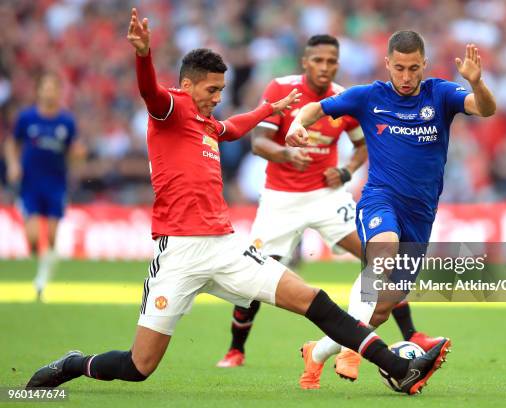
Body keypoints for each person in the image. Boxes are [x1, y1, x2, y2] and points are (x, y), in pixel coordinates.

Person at [25, 10, 449, 396]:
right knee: (140, 366)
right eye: (211, 89)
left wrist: (272, 107)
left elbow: (232, 128)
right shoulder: (169, 109)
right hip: (179, 253)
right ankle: (75, 364)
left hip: (225, 246)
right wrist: (144, 55)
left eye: (221, 90)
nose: (216, 97)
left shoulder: (207, 122)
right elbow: (149, 91)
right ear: (187, 85)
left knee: (313, 299)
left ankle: (397, 367)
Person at [216, 34, 447, 388]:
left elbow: (360, 147)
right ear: (305, 62)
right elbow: (258, 142)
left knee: (378, 257)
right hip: (281, 198)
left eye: (331, 62)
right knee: (253, 276)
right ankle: (236, 349)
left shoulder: (344, 97)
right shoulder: (281, 89)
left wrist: (346, 171)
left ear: (337, 64)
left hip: (328, 196)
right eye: (318, 61)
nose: (325, 67)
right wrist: (285, 153)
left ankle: (409, 333)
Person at [287, 30, 496, 387]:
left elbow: (486, 109)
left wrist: (477, 84)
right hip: (380, 199)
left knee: (380, 310)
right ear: (387, 64)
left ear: (424, 64)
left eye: (413, 68)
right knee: (383, 252)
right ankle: (353, 352)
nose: (406, 76)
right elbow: (317, 108)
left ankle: (317, 352)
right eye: (399, 68)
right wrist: (296, 123)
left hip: (421, 215)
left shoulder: (440, 94)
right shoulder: (370, 97)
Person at [4, 72, 85, 301]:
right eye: (45, 87)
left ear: (59, 92)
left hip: (56, 184)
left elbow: (74, 150)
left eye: (53, 88)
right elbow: (12, 142)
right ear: (38, 91)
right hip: (30, 183)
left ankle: (42, 279)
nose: (49, 92)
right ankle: (39, 265)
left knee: (50, 236)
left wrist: (78, 157)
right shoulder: (26, 117)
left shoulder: (66, 121)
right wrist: (13, 164)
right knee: (31, 238)